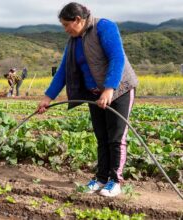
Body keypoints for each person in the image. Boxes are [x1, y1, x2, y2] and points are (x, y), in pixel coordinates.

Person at [37, 2, 138, 197]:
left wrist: (109, 89)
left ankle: (115, 181)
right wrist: (47, 97)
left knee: (116, 138)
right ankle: (101, 179)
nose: (66, 30)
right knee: (101, 137)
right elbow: (63, 72)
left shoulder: (104, 26)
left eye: (67, 25)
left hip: (120, 90)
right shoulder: (73, 41)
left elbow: (117, 58)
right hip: (95, 95)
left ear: (78, 20)